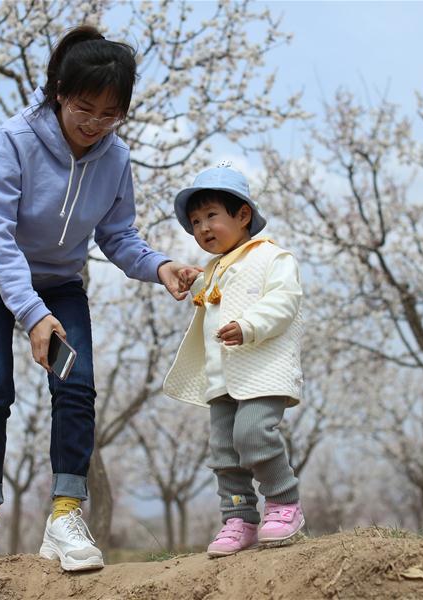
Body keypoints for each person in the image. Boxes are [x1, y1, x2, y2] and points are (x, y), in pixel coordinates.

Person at [0, 25, 193, 571]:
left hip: (60, 281)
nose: (94, 124)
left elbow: (119, 236)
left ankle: (64, 516)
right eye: (85, 108)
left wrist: (161, 267)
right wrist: (32, 314)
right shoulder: (15, 139)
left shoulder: (116, 158)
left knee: (76, 386)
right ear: (60, 92)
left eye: (110, 114)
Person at [163, 162, 305, 557]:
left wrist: (249, 325)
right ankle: (239, 518)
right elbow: (213, 295)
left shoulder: (272, 257)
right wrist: (193, 279)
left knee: (253, 434)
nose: (203, 228)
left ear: (243, 215)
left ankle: (284, 503)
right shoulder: (214, 268)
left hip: (262, 371)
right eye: (195, 222)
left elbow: (284, 302)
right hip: (221, 376)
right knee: (224, 451)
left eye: (212, 215)